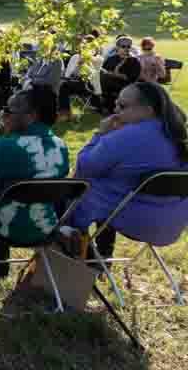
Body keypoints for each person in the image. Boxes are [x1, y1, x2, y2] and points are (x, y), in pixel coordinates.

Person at [68, 82, 188, 259]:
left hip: (134, 220)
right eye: (116, 104)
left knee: (75, 192)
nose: (116, 110)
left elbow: (85, 167)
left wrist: (100, 134)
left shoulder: (125, 137)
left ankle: (81, 261)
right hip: (170, 226)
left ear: (148, 110)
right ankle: (97, 258)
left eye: (122, 106)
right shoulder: (177, 133)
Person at [0, 86, 69, 277]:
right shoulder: (61, 146)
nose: (3, 115)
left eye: (9, 110)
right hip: (44, 227)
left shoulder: (5, 146)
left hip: (2, 226)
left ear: (31, 115)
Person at [58, 44, 103, 120]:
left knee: (64, 86)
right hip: (74, 83)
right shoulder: (75, 57)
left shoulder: (98, 59)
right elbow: (69, 74)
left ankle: (65, 113)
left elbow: (93, 75)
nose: (84, 49)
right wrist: (78, 66)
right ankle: (65, 112)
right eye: (84, 47)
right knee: (63, 86)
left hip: (89, 85)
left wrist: (85, 61)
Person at [100, 36, 141, 113]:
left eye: (128, 46)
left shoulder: (134, 61)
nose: (126, 49)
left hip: (126, 87)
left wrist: (115, 74)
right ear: (117, 47)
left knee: (105, 80)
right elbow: (103, 70)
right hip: (108, 86)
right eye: (123, 46)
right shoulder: (111, 59)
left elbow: (132, 79)